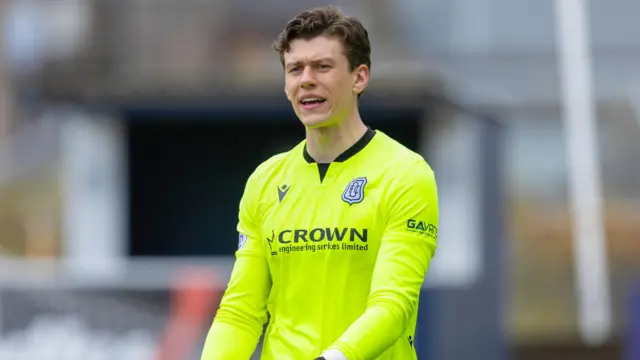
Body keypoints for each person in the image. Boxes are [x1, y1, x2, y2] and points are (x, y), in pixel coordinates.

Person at [201, 5, 438, 360]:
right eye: (295, 69)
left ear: (359, 77)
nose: (306, 80)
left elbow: (392, 306)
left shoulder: (405, 173)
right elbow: (240, 312)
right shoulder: (265, 180)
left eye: (322, 67)